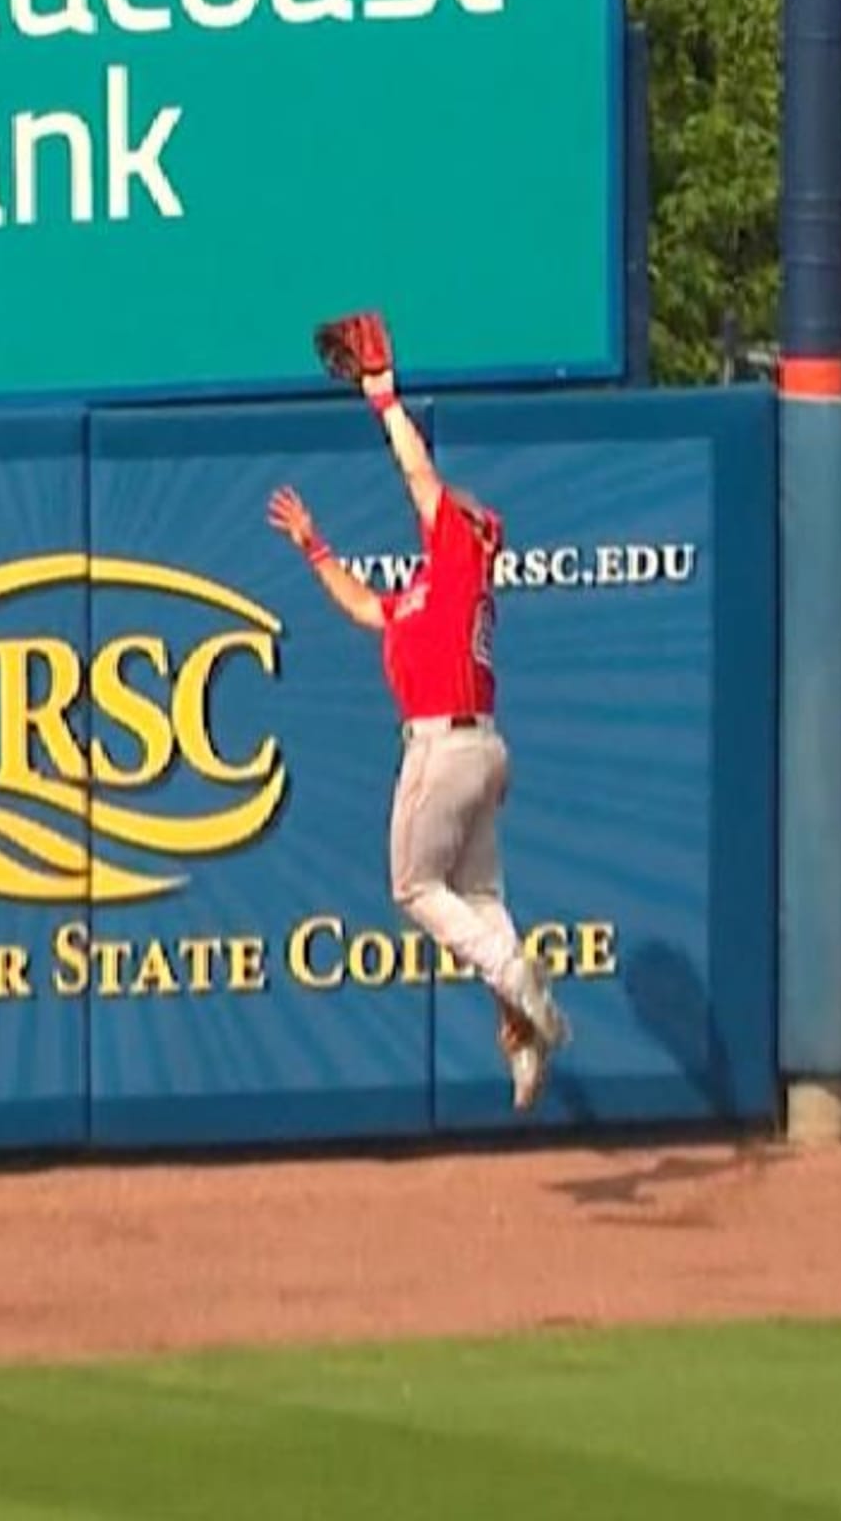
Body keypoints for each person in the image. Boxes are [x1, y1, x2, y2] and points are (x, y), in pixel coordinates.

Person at [264, 336, 571, 1112]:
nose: (445, 506)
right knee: (479, 894)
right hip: (480, 752)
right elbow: (365, 604)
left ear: (472, 532)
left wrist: (383, 396)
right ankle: (524, 1031)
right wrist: (314, 547)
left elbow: (419, 474)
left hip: (446, 744)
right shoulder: (425, 595)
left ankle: (518, 984)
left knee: (412, 887)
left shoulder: (463, 558)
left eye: (456, 511)